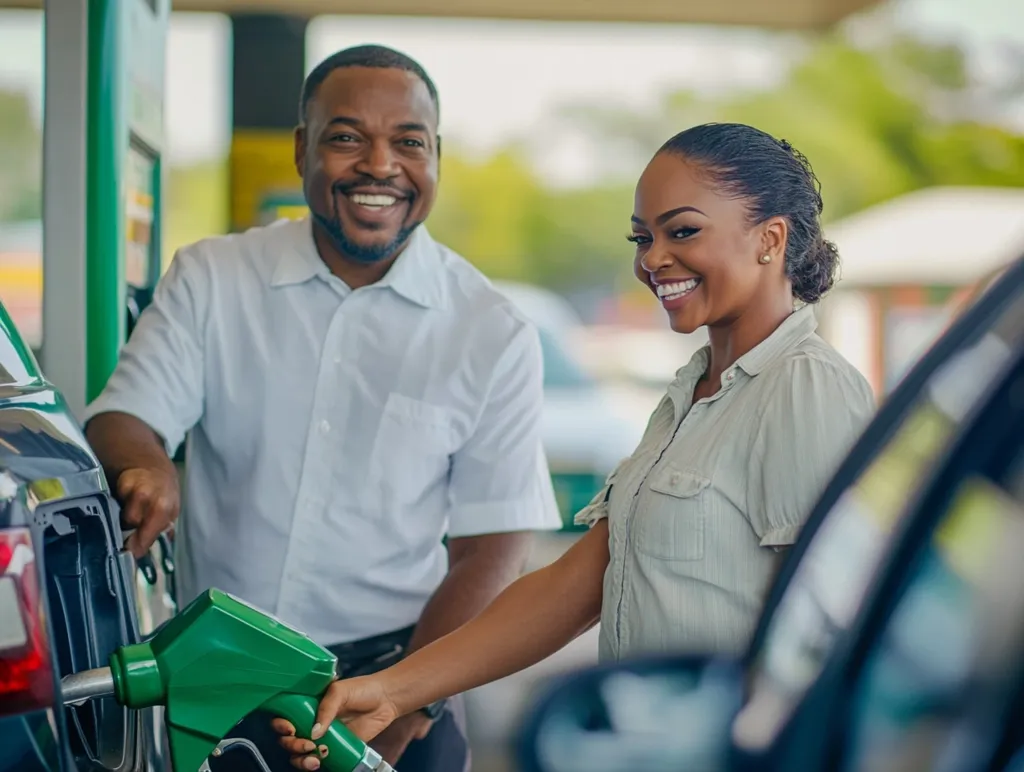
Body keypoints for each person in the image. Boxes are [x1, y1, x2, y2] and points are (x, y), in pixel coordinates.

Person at [274, 122, 878, 770]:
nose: (652, 259)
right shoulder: (691, 393)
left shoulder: (806, 390)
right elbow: (578, 582)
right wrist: (393, 692)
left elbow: (834, 635)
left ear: (771, 238)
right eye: (642, 238)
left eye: (682, 231)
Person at [82, 44, 562, 772]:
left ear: (436, 156)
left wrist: (408, 704)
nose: (380, 165)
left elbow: (492, 546)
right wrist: (147, 464)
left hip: (398, 672)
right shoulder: (212, 278)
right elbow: (124, 416)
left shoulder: (490, 330)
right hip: (218, 679)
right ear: (304, 149)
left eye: (409, 142)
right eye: (346, 137)